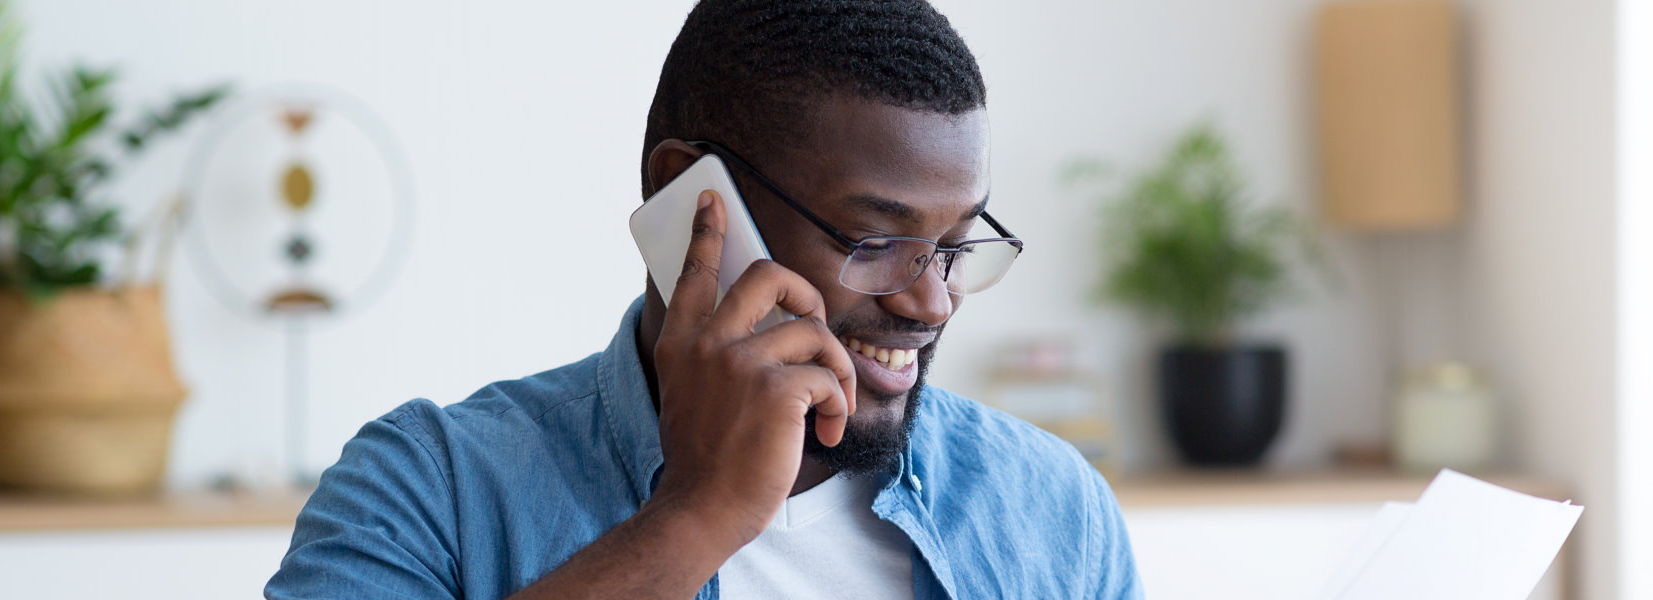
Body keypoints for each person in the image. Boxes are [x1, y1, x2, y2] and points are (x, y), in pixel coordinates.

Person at [264, 1, 1140, 598]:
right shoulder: (429, 489)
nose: (933, 302)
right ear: (693, 206)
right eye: (878, 241)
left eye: (954, 246)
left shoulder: (1050, 509)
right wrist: (697, 516)